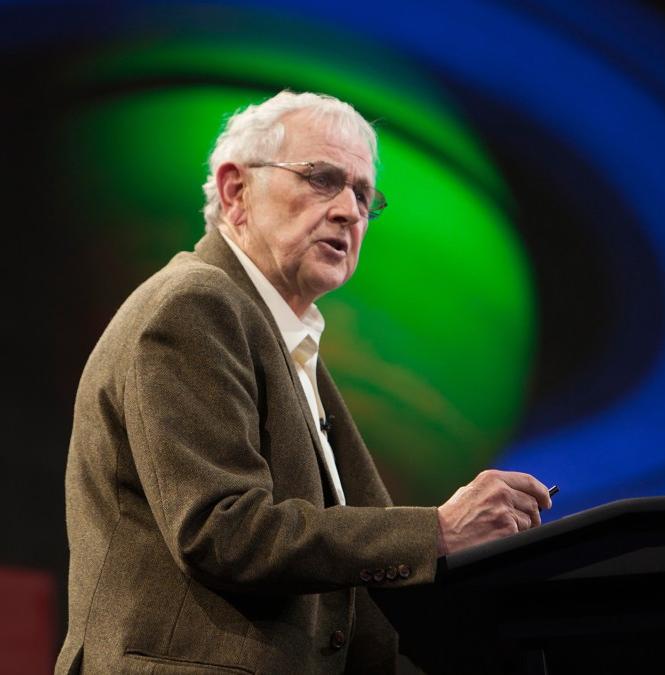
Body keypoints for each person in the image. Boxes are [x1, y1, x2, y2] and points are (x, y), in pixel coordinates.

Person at [56, 90, 551, 674]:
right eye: (321, 179)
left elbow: (353, 606)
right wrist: (437, 531)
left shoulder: (286, 338)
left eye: (363, 195)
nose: (348, 210)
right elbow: (223, 532)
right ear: (237, 190)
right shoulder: (193, 306)